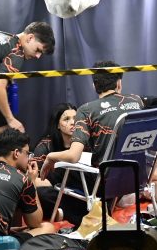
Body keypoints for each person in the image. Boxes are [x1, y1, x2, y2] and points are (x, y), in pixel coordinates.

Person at [40, 61, 144, 222]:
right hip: (139, 175)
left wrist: (50, 157)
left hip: (106, 182)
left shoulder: (87, 110)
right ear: (119, 83)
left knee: (61, 173)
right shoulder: (137, 101)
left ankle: (82, 213)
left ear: (94, 85)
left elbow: (73, 156)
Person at [29, 102, 85, 224]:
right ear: (58, 125)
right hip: (58, 193)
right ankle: (73, 213)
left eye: (75, 118)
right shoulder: (45, 146)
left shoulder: (85, 143)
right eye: (66, 119)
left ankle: (63, 214)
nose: (72, 122)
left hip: (82, 191)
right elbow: (36, 180)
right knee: (41, 194)